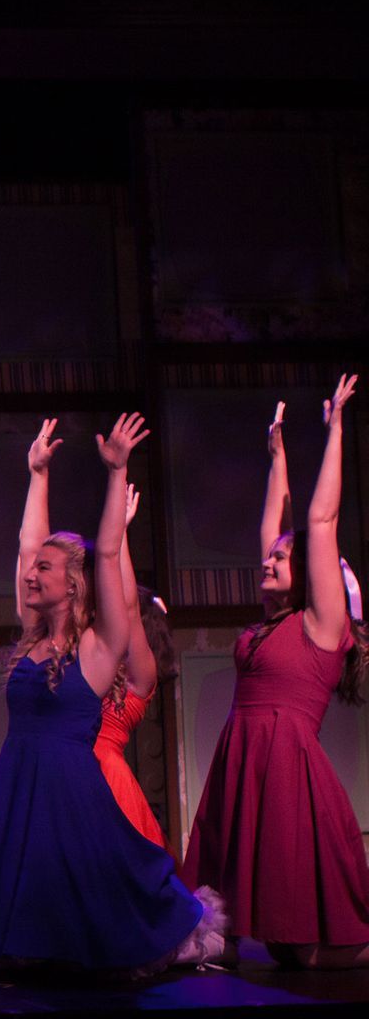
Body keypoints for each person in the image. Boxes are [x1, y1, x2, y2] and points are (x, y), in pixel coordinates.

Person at [0, 414, 221, 975]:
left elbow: (111, 554)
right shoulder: (30, 638)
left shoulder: (98, 650)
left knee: (90, 929)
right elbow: (28, 545)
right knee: (15, 945)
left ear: (72, 581)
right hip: (17, 788)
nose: (29, 574)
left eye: (45, 568)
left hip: (72, 792)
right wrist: (37, 474)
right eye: (31, 568)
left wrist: (116, 473)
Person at [183, 377, 369, 966]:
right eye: (269, 557)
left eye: (279, 560)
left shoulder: (320, 624)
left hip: (289, 775)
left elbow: (319, 521)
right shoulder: (269, 624)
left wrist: (336, 429)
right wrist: (277, 459)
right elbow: (278, 525)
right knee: (245, 932)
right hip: (242, 763)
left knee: (304, 952)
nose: (266, 559)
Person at [18, 423, 169, 849]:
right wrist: (38, 476)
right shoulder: (63, 651)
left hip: (103, 784)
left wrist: (118, 535)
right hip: (50, 779)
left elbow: (126, 609)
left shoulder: (134, 677)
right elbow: (31, 550)